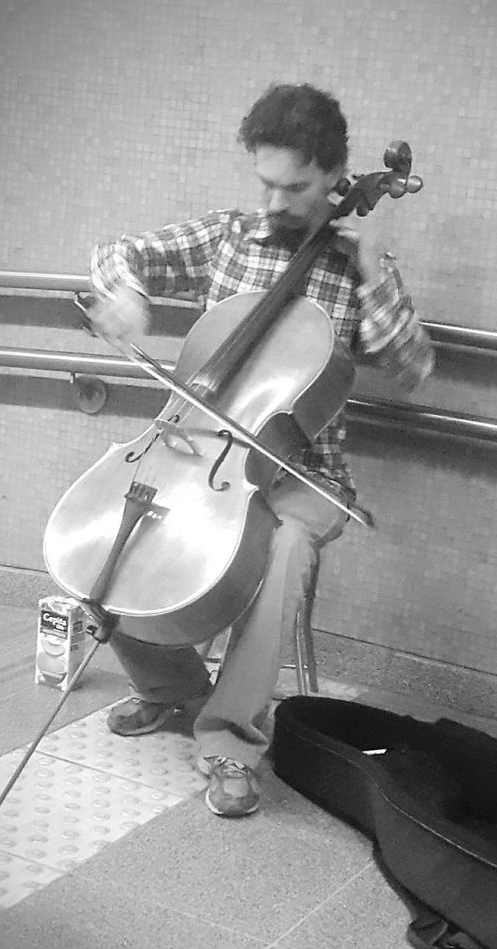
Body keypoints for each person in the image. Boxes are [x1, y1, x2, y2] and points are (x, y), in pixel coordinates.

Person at [86, 82, 433, 817]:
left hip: (304, 471)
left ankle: (228, 739)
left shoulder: (357, 269)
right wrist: (126, 295)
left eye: (296, 187)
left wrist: (373, 271)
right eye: (266, 183)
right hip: (199, 449)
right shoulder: (229, 236)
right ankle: (171, 689)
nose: (275, 202)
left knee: (283, 555)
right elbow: (120, 253)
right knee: (112, 538)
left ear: (336, 178)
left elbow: (411, 368)